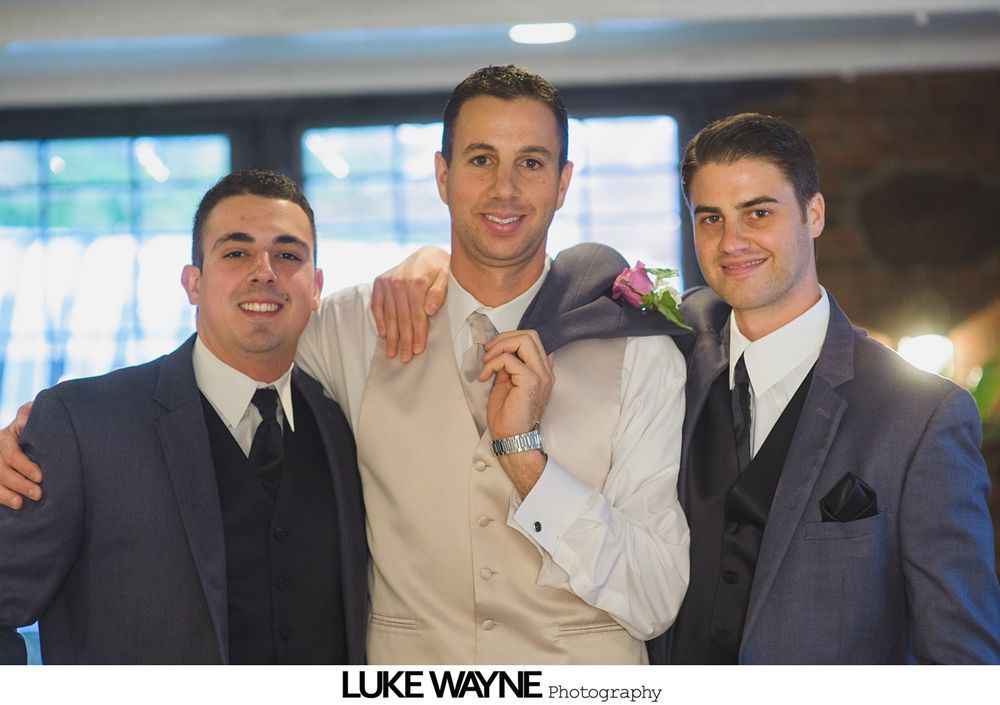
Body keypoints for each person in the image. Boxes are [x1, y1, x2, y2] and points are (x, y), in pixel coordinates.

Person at [0, 66, 690, 665]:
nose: (504, 188)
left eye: (531, 162)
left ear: (565, 182)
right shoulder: (349, 328)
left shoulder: (641, 357)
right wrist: (50, 429)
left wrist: (527, 461)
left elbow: (656, 598)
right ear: (442, 175)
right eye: (481, 160)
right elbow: (234, 347)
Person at [656, 113, 1000, 663]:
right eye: (710, 219)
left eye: (758, 213)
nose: (732, 241)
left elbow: (960, 653)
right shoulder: (670, 366)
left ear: (813, 214)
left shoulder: (921, 414)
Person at [0, 170, 368, 664]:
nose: (265, 272)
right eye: (236, 253)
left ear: (316, 285)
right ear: (193, 283)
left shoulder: (343, 416)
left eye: (288, 255)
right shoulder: (83, 424)